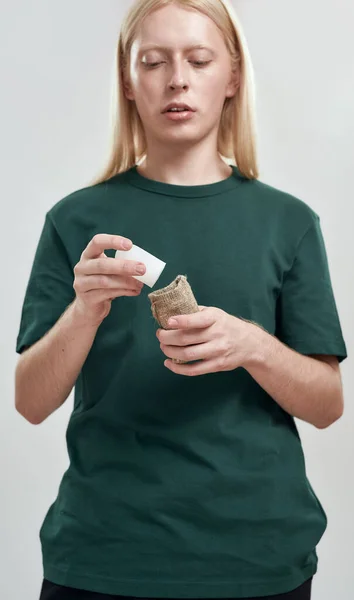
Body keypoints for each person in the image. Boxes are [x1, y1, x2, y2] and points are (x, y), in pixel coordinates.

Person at [15, 1, 347, 599]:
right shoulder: (76, 221)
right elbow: (30, 402)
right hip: (103, 556)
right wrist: (84, 310)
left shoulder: (287, 222)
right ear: (128, 80)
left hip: (256, 559)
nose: (177, 79)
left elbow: (326, 405)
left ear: (233, 77)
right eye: (153, 61)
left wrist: (251, 345)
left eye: (198, 59)